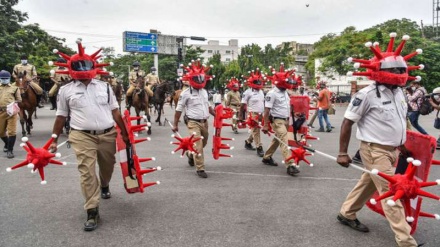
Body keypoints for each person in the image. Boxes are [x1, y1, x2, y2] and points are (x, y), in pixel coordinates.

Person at [336, 33, 421, 247]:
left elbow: (401, 120)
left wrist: (405, 144)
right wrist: (343, 152)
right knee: (392, 191)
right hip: (374, 150)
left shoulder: (399, 93)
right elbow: (347, 122)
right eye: (395, 70)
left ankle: (347, 213)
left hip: (393, 150)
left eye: (402, 69)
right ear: (380, 71)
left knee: (368, 182)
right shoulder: (366, 95)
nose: (401, 73)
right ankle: (406, 241)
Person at [49, 40, 130, 232]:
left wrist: (125, 133)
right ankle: (92, 210)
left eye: (86, 65)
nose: (83, 69)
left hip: (108, 134)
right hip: (81, 135)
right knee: (86, 171)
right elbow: (61, 116)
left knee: (108, 167)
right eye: (79, 65)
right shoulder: (65, 90)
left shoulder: (105, 87)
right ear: (71, 67)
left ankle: (105, 184)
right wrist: (53, 139)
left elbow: (116, 112)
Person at [172, 60, 215, 179]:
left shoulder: (205, 92)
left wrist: (217, 115)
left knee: (204, 143)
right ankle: (200, 168)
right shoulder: (185, 93)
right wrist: (175, 124)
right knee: (198, 145)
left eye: (201, 78)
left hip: (204, 122)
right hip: (193, 122)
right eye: (197, 78)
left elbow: (208, 106)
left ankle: (190, 154)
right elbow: (179, 109)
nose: (200, 81)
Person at [261, 65, 300, 176]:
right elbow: (267, 109)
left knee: (278, 140)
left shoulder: (285, 93)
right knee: (284, 139)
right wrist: (266, 124)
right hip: (277, 121)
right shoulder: (272, 93)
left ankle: (267, 157)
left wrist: (294, 114)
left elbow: (286, 107)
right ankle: (290, 165)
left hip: (285, 120)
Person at [239, 70, 265, 157]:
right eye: (256, 81)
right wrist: (240, 116)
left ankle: (248, 142)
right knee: (256, 130)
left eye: (259, 81)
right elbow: (242, 105)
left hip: (261, 114)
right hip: (252, 114)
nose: (258, 83)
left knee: (255, 130)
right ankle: (259, 148)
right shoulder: (247, 92)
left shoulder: (261, 91)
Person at [0, 70, 21, 158]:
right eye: (3, 78)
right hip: (1, 111)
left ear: (9, 79)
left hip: (11, 111)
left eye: (6, 78)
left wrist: (13, 104)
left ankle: (10, 150)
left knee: (12, 131)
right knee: (1, 132)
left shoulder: (15, 88)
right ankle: (8, 143)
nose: (5, 80)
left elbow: (19, 99)